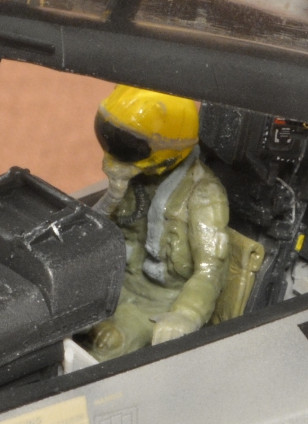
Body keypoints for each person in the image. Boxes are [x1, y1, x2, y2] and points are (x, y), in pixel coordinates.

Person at [88, 85, 229, 359]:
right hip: (114, 282)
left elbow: (210, 270)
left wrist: (185, 315)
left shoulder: (204, 195)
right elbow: (98, 228)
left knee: (108, 345)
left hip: (157, 302)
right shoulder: (135, 179)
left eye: (127, 144)